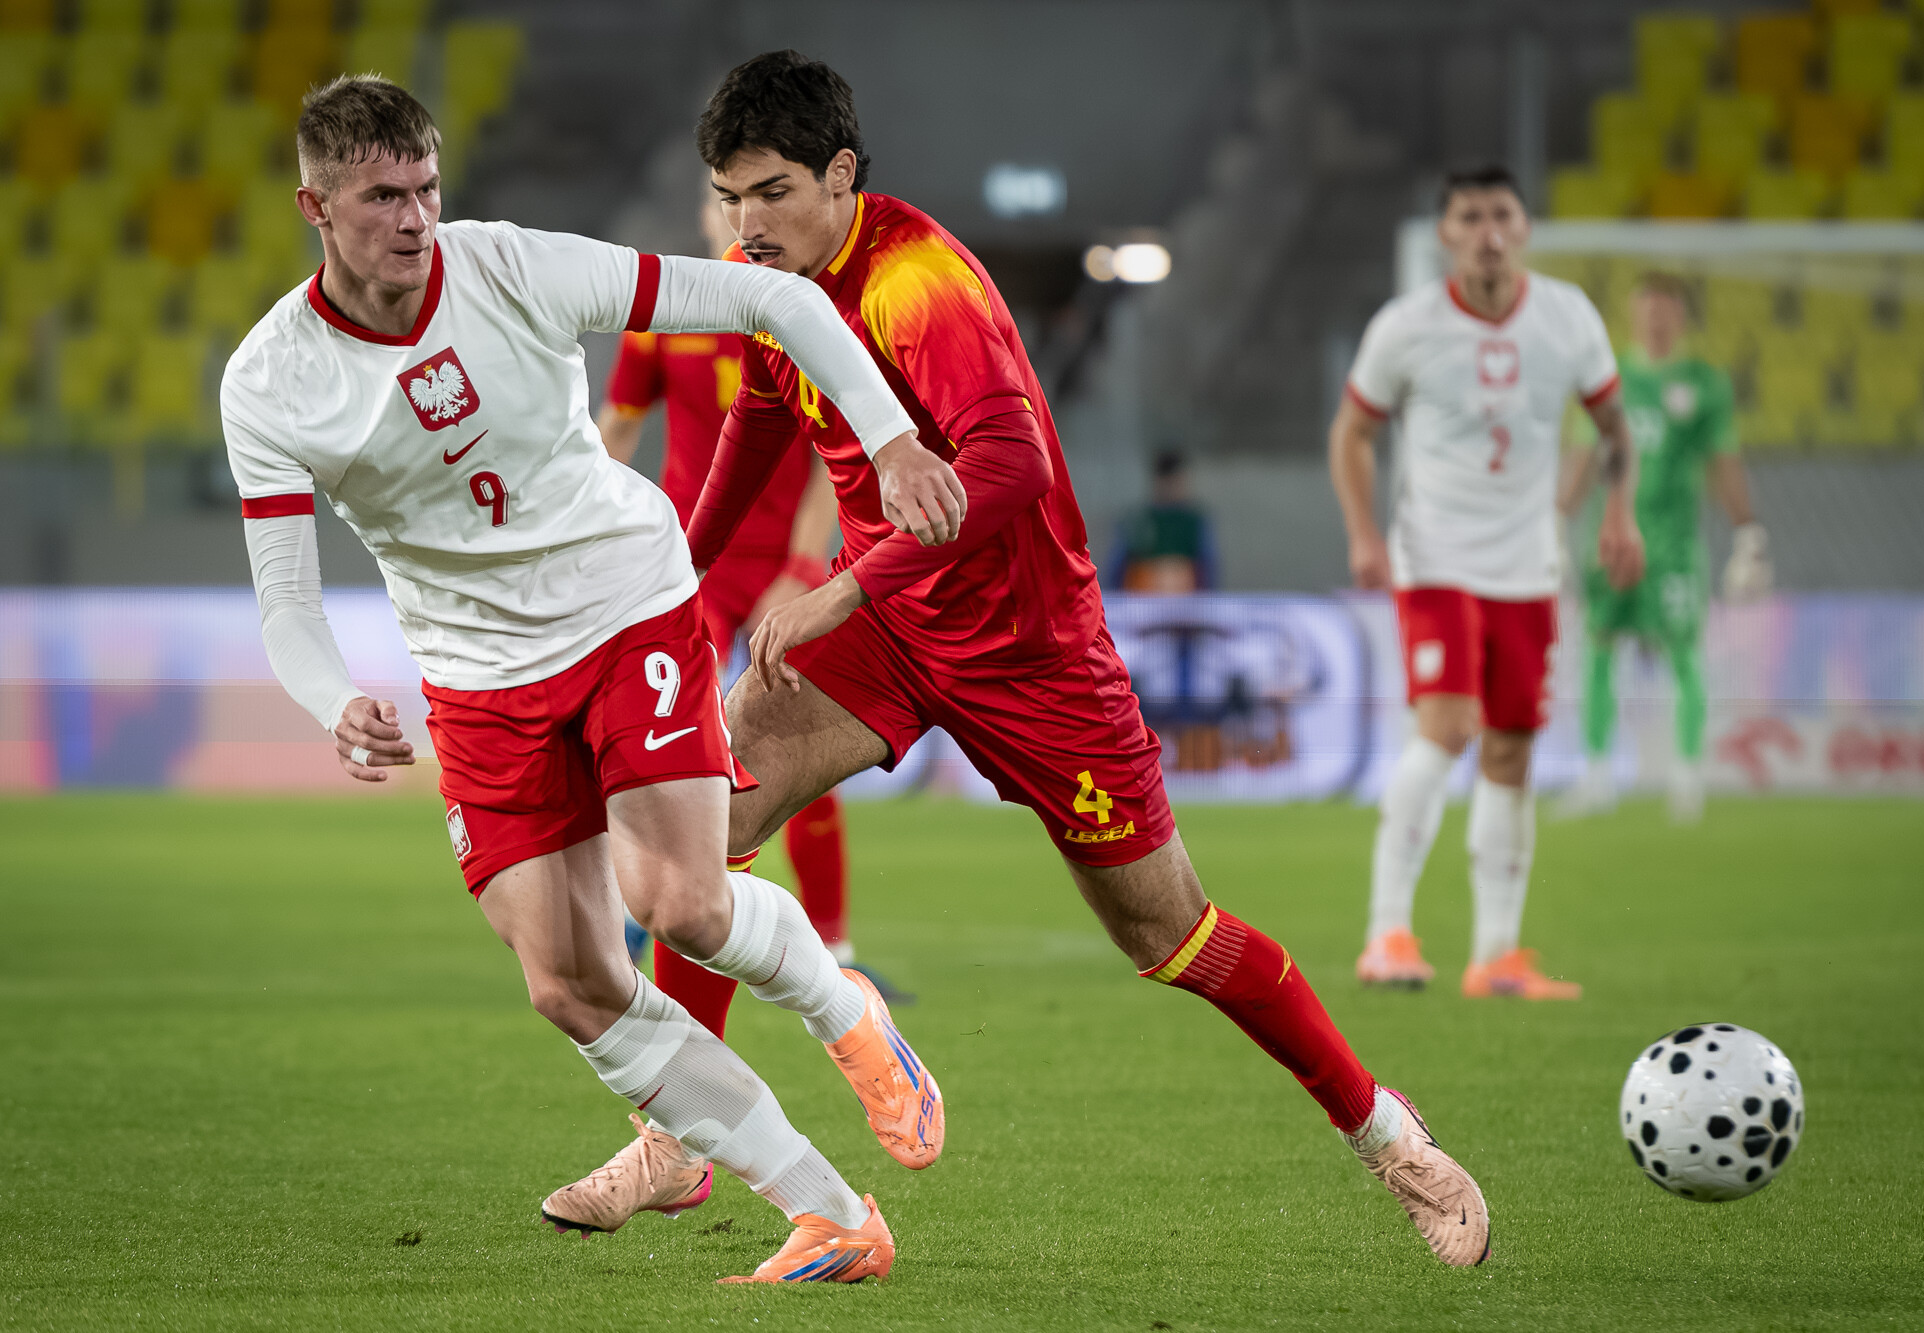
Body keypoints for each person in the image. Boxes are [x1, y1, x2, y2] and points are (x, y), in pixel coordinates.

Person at [683, 50, 1490, 1267]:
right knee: (700, 824)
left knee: (1169, 935)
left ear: (840, 174)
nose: (746, 224)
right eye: (730, 197)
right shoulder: (773, 283)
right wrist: (675, 575)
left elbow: (1010, 470)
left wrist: (837, 585)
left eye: (771, 193)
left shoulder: (916, 285)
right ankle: (683, 1134)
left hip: (1031, 654)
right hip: (890, 630)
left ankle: (1385, 1131)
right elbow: (757, 417)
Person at [223, 75, 960, 1283]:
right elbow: (287, 600)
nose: (414, 218)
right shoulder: (270, 379)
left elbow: (770, 296)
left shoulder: (511, 266)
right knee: (569, 984)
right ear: (315, 206)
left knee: (681, 903)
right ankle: (830, 1214)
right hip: (476, 681)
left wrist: (890, 439)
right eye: (382, 197)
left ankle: (844, 1009)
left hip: (623, 607)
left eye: (426, 188)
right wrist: (331, 698)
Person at [1329, 164, 1645, 1000]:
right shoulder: (1407, 326)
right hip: (1436, 557)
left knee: (1511, 744)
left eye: (1501, 214)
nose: (1488, 233)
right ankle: (1387, 934)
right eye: (1469, 217)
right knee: (1447, 725)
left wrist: (1619, 513)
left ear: (1525, 227)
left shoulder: (1568, 317)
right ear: (1446, 234)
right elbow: (1352, 431)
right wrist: (1363, 532)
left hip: (1528, 563)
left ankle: (1496, 955)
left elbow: (1615, 427)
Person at [597, 201, 905, 1030]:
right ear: (707, 211)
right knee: (670, 752)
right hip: (690, 564)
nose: (739, 216)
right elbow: (616, 430)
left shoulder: (799, 311)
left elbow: (830, 457)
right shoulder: (663, 317)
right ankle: (642, 915)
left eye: (754, 199)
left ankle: (836, 949)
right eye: (724, 198)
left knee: (796, 744)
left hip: (785, 566)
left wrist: (803, 570)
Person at [1558, 272, 1769, 823]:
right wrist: (1556, 522)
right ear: (1633, 314)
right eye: (1646, 308)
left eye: (1665, 309)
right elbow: (1584, 453)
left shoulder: (1704, 384)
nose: (1655, 319)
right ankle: (1597, 776)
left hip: (1673, 543)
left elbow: (1723, 460)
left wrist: (1747, 531)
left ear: (1680, 316)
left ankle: (1687, 779)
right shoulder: (1606, 378)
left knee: (1684, 651)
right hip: (1611, 540)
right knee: (1599, 647)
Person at [1106, 450, 1219, 593]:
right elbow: (1117, 568)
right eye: (1173, 480)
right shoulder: (1138, 520)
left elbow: (1209, 567)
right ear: (1160, 480)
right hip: (1141, 600)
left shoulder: (1195, 521)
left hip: (1185, 602)